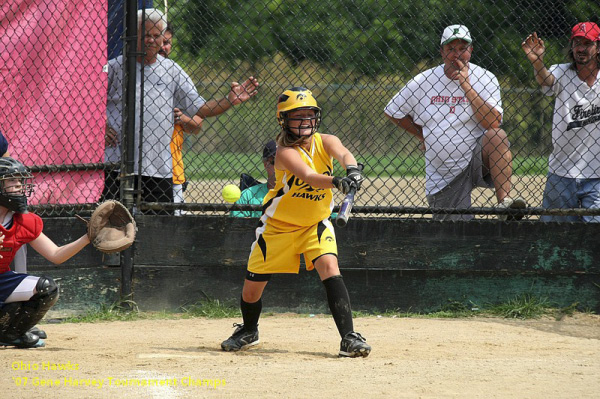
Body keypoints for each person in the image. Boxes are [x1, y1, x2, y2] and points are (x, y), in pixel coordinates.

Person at [221, 87, 371, 358]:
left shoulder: (326, 141)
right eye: (297, 116)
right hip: (278, 226)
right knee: (252, 288)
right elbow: (309, 176)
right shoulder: (283, 153)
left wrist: (351, 170)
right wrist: (337, 182)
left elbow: (345, 153)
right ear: (283, 120)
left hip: (315, 223)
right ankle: (249, 330)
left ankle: (349, 337)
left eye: (309, 115)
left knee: (330, 267)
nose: (305, 122)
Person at [104, 8, 259, 214]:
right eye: (146, 35)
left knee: (161, 230)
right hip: (116, 166)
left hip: (158, 169)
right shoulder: (114, 67)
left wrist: (229, 101)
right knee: (112, 227)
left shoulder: (172, 70)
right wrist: (100, 125)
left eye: (156, 35)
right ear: (134, 36)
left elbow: (200, 108)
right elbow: (85, 102)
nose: (151, 40)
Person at [384, 25, 526, 221]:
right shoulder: (424, 80)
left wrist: (466, 84)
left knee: (497, 136)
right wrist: (422, 134)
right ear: (442, 52)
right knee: (456, 237)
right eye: (451, 49)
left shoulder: (485, 78)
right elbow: (392, 110)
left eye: (462, 48)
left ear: (471, 50)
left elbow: (492, 122)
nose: (456, 54)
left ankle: (505, 204)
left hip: (476, 159)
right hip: (445, 175)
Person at [0, 158, 91, 348]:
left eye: (20, 180)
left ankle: (10, 334)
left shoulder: (23, 221)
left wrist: (88, 238)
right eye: (11, 180)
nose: (19, 185)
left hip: (2, 280)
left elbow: (56, 254)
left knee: (46, 288)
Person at [522, 23, 600, 222]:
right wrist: (537, 62)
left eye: (587, 43)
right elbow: (546, 81)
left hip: (597, 174)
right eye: (576, 43)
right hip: (562, 171)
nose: (581, 48)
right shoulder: (563, 72)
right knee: (555, 236)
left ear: (598, 47)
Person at [158, 24, 204, 216]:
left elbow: (196, 125)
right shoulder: (130, 73)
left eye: (167, 42)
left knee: (172, 224)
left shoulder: (176, 75)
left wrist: (179, 116)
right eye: (158, 41)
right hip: (136, 170)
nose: (162, 47)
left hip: (172, 171)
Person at [230, 140, 277, 218]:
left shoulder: (300, 194)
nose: (282, 167)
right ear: (266, 164)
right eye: (276, 162)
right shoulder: (248, 195)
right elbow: (235, 228)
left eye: (287, 162)